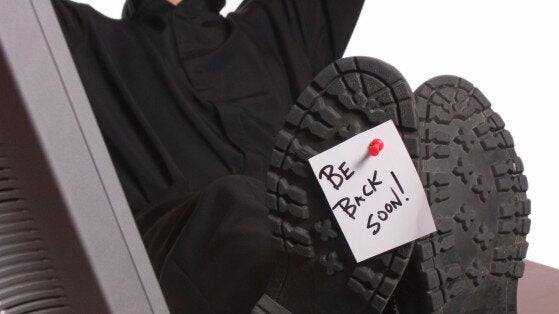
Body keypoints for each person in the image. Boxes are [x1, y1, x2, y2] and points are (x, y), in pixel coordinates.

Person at [52, 0, 364, 312]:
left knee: (366, 192)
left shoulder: (280, 31)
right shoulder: (79, 40)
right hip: (169, 273)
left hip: (316, 257)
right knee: (236, 208)